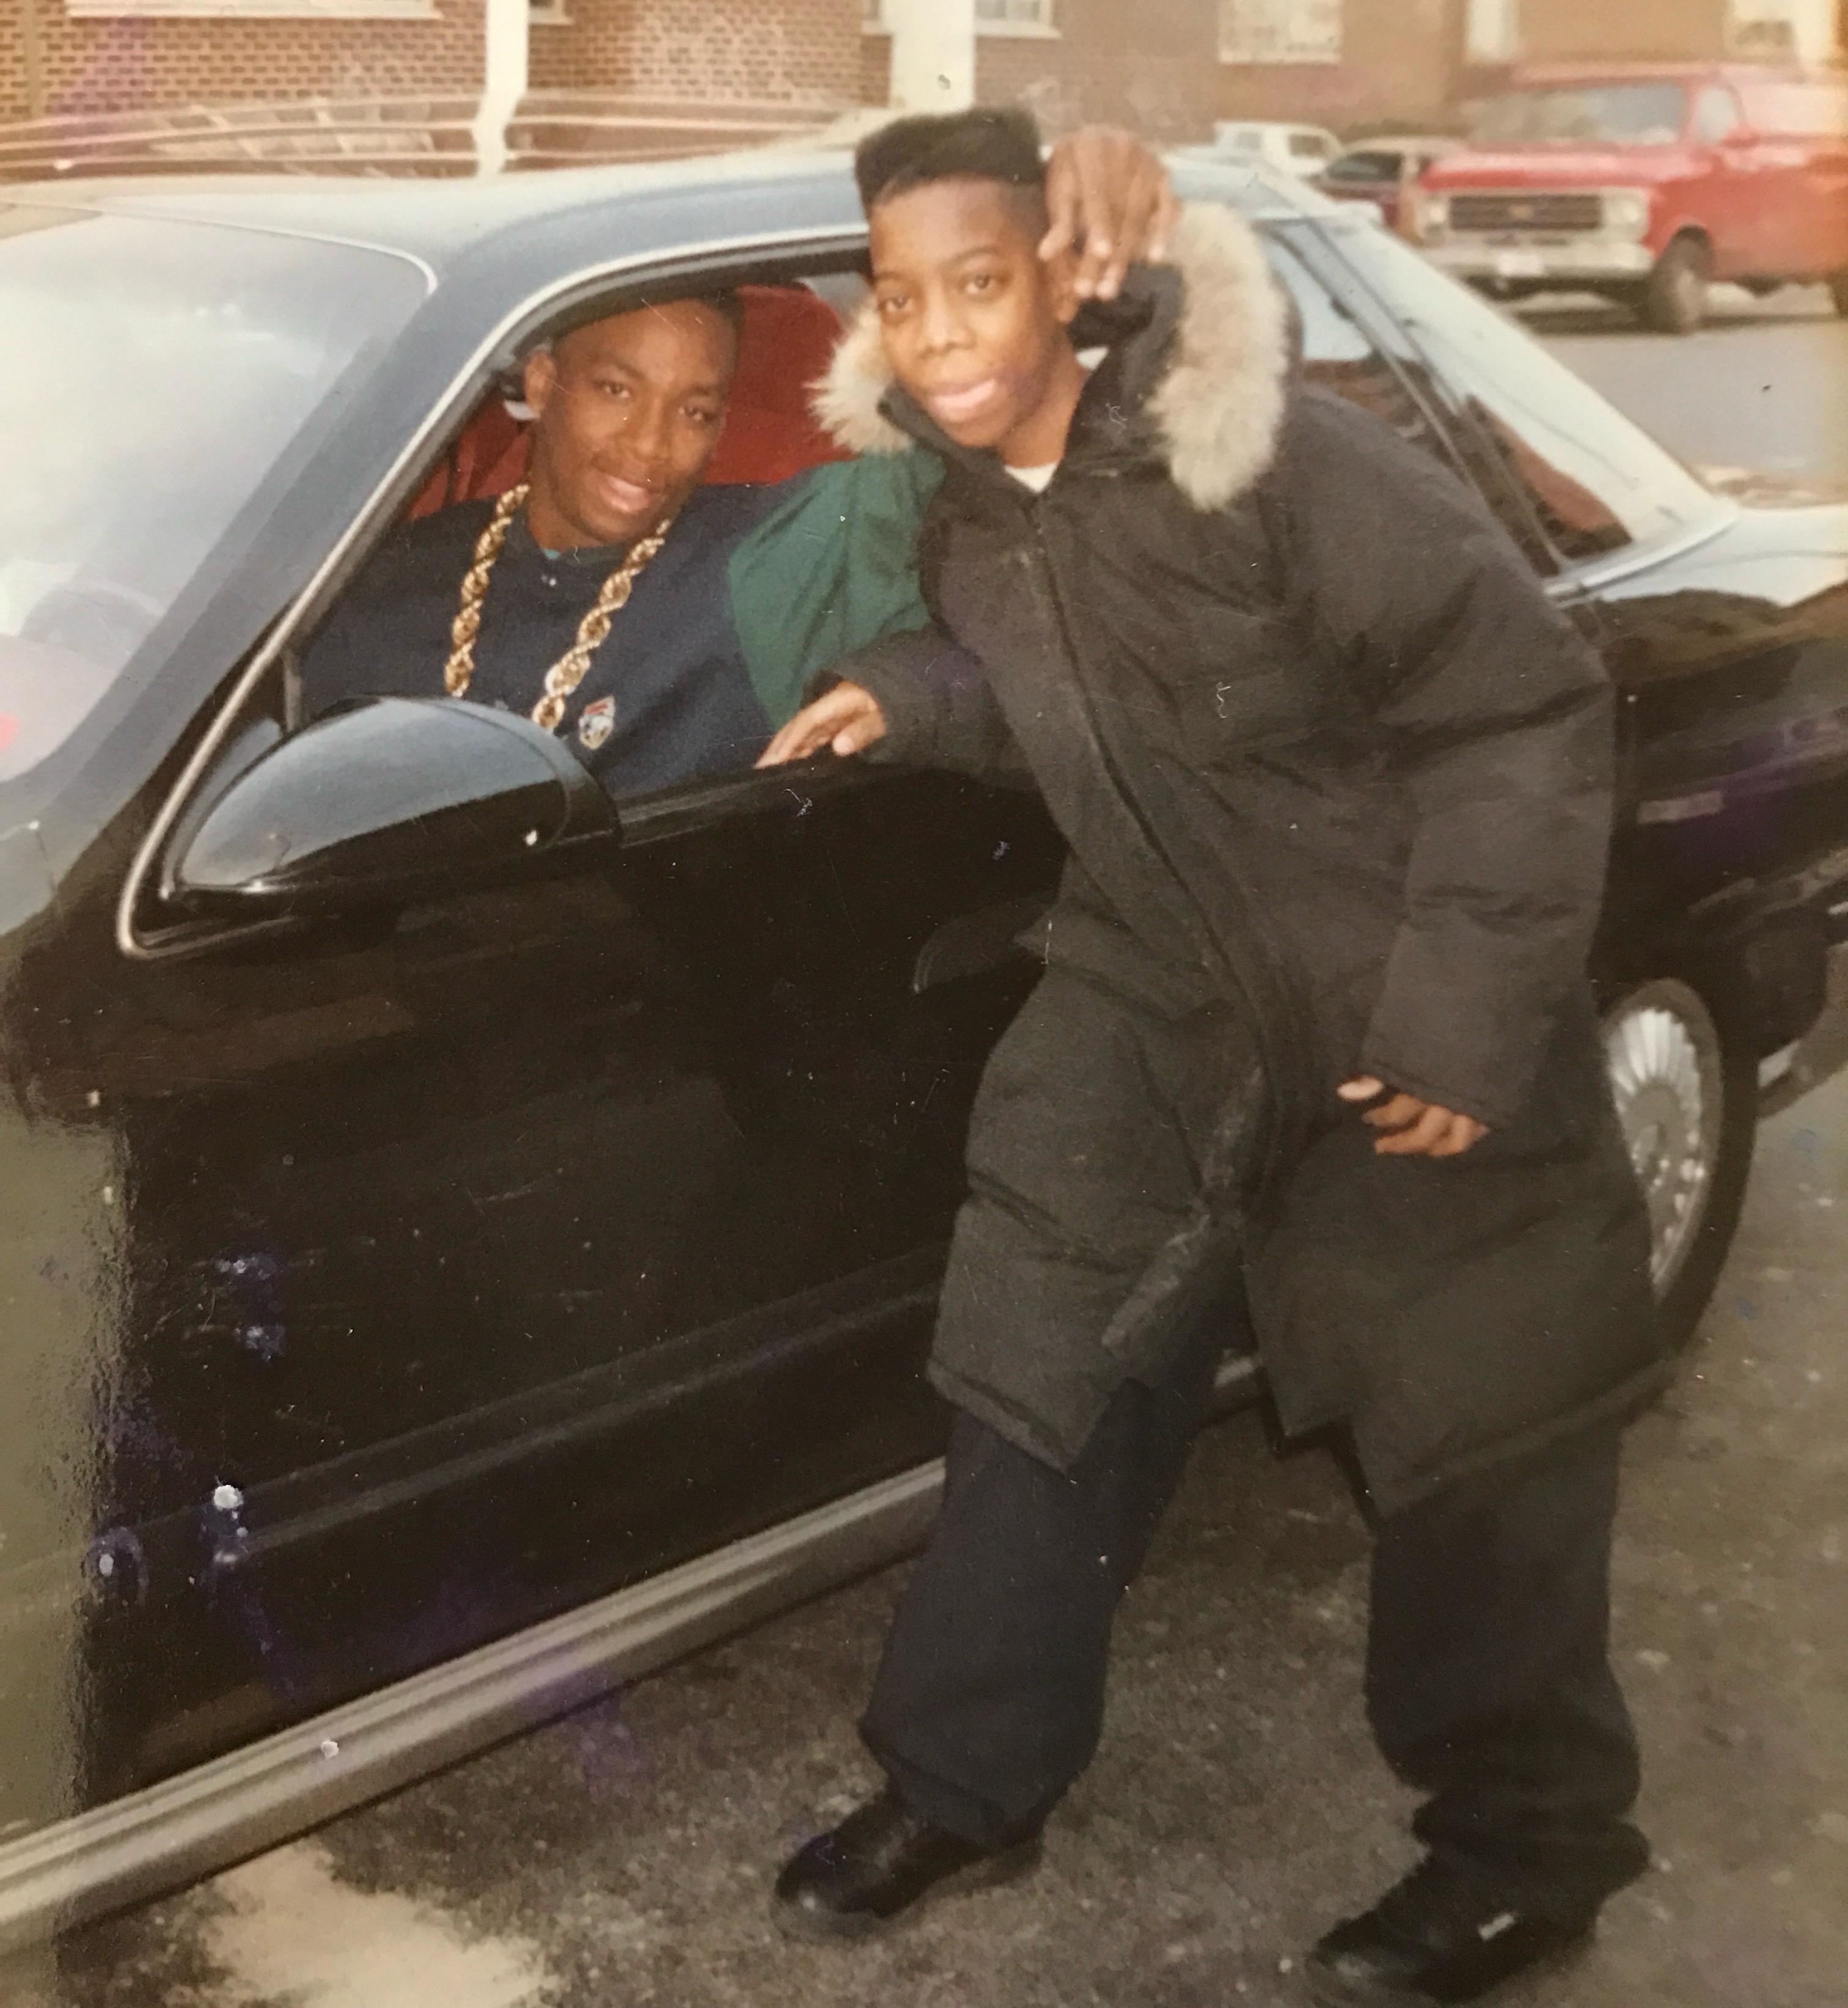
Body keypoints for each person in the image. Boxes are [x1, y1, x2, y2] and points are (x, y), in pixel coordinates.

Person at [759, 108, 1667, 2005]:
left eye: (978, 280)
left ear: (1063, 279)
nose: (938, 330)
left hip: (1393, 985)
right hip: (1153, 991)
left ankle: (1529, 1852)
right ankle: (966, 1782)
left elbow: (1520, 708)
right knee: (1039, 1364)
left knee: (1476, 1421)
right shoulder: (969, 507)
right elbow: (1071, 685)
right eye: (902, 296)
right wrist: (910, 693)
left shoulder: (1268, 458)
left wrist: (1462, 1022)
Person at [301, 128, 1177, 795]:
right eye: (615, 390)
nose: (651, 447)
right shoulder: (388, 563)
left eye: (697, 411)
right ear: (542, 381)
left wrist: (1083, 205)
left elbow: (1024, 443)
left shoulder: (771, 555)